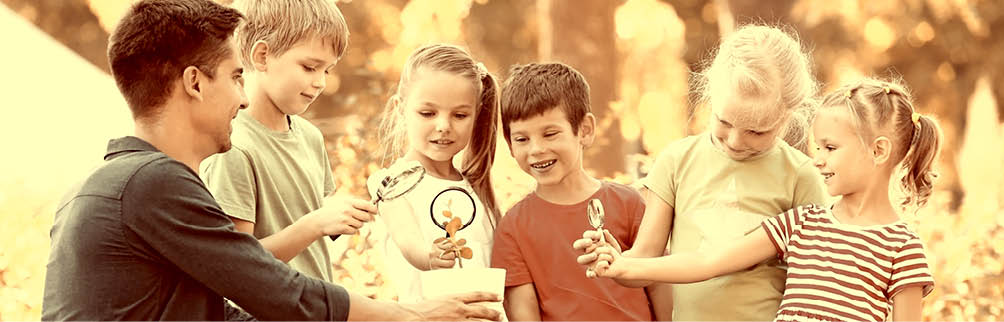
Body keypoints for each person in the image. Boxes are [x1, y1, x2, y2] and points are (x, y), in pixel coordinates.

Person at [41, 1, 499, 320]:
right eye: (237, 77)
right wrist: (410, 315)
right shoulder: (150, 185)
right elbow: (276, 289)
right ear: (195, 84)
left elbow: (224, 309)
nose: (243, 99)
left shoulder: (122, 182)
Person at [578, 78, 939, 322]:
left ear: (878, 150)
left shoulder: (901, 246)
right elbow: (710, 260)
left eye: (830, 148)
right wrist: (625, 267)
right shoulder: (802, 223)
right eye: (817, 147)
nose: (817, 159)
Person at [615, 24, 831, 321]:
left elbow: (818, 279)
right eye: (724, 122)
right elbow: (642, 263)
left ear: (787, 116)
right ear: (710, 97)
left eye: (756, 131)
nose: (735, 141)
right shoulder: (677, 161)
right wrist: (611, 260)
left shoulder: (801, 176)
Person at [200, 0, 372, 281]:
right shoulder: (232, 146)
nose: (321, 83)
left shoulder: (310, 137)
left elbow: (309, 238)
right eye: (309, 67)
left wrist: (342, 216)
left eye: (326, 70)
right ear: (263, 56)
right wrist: (316, 224)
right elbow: (238, 264)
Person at [489, 62, 670, 321]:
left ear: (584, 130)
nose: (536, 149)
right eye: (521, 139)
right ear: (509, 144)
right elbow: (523, 313)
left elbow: (659, 282)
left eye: (550, 134)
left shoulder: (628, 203)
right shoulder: (513, 228)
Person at [368, 43, 502, 303]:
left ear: (477, 115)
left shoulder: (476, 187)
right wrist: (428, 255)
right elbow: (409, 242)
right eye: (427, 113)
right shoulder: (392, 184)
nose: (443, 126)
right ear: (401, 109)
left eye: (460, 115)